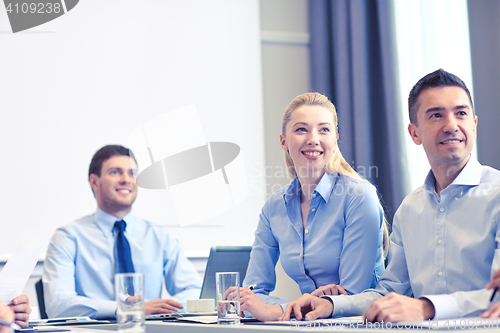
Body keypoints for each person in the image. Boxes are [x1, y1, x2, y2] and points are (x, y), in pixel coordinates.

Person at [280, 69, 500, 322]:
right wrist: (329, 304)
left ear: (474, 123)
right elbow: (388, 291)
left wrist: (427, 308)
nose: (451, 126)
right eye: (436, 115)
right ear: (414, 133)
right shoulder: (411, 209)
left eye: (460, 113)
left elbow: (497, 296)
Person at [238, 93, 387, 321]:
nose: (313, 139)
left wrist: (276, 310)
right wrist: (293, 307)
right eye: (301, 130)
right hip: (310, 325)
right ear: (283, 141)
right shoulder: (274, 208)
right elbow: (252, 294)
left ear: (335, 139)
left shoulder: (359, 196)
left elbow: (351, 296)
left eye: (324, 130)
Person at [43, 145, 202, 319]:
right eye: (115, 172)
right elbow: (57, 304)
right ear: (94, 182)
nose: (126, 179)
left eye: (132, 173)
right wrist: (127, 308)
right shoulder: (68, 237)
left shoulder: (158, 235)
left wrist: (164, 309)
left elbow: (194, 289)